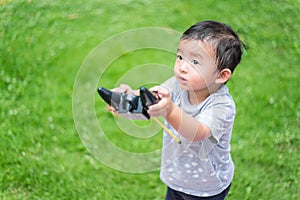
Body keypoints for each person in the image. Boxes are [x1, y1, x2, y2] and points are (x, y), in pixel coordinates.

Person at [107, 20, 247, 199]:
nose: (182, 67)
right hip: (176, 178)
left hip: (206, 187)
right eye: (180, 57)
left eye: (195, 61)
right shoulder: (177, 86)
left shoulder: (221, 105)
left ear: (222, 75)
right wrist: (126, 101)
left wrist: (171, 111)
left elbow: (197, 132)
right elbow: (151, 105)